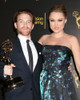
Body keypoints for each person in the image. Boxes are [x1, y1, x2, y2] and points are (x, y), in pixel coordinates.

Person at [38, 4, 80, 100]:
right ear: (48, 21)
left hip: (63, 85)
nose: (56, 24)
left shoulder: (72, 39)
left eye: (59, 20)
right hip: (44, 84)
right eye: (52, 20)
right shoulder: (43, 39)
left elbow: (79, 65)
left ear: (65, 20)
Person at [0, 9, 43, 100]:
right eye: (21, 21)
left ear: (33, 25)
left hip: (36, 96)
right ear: (15, 25)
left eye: (28, 22)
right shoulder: (7, 45)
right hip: (15, 97)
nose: (25, 25)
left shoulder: (40, 47)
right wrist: (3, 72)